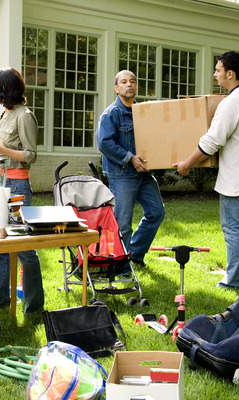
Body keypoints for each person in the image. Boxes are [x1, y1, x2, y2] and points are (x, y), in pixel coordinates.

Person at [172, 51, 239, 291]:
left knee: (234, 228)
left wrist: (186, 164)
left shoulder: (232, 102)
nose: (215, 74)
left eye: (218, 70)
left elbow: (212, 142)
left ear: (230, 74)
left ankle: (233, 282)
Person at [0, 67, 44, 314]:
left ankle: (34, 306)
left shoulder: (24, 116)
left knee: (24, 248)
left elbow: (30, 155)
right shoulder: (2, 115)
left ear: (3, 89)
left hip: (16, 186)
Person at [96, 70, 166, 268]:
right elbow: (104, 143)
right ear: (116, 88)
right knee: (123, 223)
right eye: (124, 82)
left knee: (156, 212)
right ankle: (120, 266)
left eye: (133, 82)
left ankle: (134, 253)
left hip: (144, 173)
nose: (129, 85)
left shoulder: (143, 112)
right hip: (122, 175)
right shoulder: (111, 114)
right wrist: (130, 158)